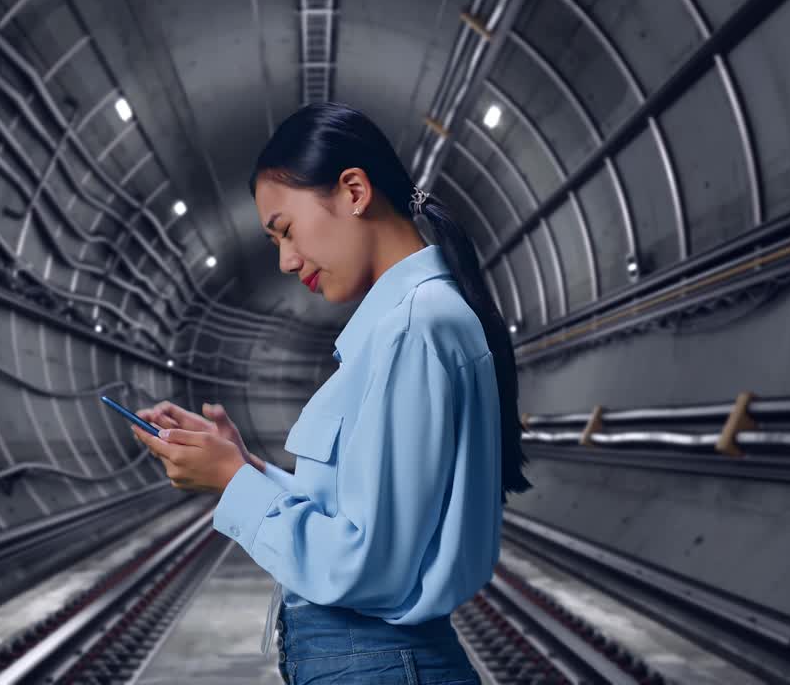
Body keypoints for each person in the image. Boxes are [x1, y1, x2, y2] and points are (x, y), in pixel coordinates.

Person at [131, 102, 530, 684]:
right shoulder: (405, 323)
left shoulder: (414, 328)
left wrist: (231, 484)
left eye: (285, 231)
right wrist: (245, 466)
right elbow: (358, 516)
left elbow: (371, 566)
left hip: (378, 665)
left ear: (353, 191)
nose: (287, 261)